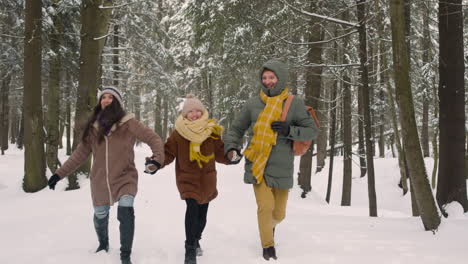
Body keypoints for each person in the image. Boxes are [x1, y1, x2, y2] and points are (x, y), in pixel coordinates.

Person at [47, 87, 164, 264]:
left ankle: (125, 255)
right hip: (100, 181)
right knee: (100, 214)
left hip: (125, 177)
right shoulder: (93, 128)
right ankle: (103, 244)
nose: (106, 100)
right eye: (103, 98)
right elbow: (79, 155)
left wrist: (156, 160)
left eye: (111, 98)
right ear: (100, 102)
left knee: (126, 210)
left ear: (117, 102)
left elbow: (153, 138)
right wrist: (59, 174)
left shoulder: (128, 123)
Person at [224, 59, 319, 260]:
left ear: (280, 78)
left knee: (279, 214)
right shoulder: (252, 104)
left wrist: (289, 130)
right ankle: (268, 246)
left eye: (272, 77)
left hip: (282, 166)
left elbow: (312, 130)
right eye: (264, 77)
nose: (267, 81)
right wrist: (232, 146)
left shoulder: (294, 104)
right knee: (265, 207)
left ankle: (270, 226)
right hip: (258, 163)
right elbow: (236, 129)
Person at [146, 94, 236, 264]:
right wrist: (155, 163)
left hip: (207, 180)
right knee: (192, 210)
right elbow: (168, 153)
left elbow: (221, 153)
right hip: (187, 180)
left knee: (202, 218)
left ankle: (196, 239)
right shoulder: (178, 134)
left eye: (197, 111)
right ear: (185, 114)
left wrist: (232, 156)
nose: (194, 114)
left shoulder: (212, 132)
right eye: (190, 111)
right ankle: (190, 249)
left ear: (202, 112)